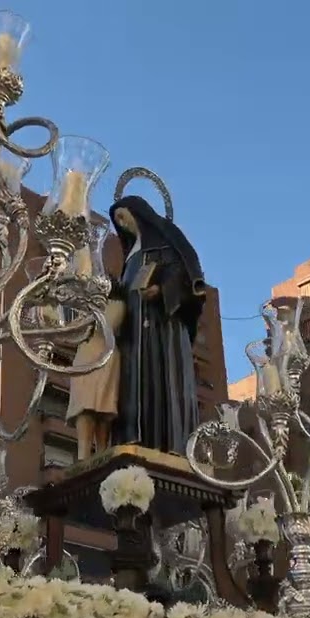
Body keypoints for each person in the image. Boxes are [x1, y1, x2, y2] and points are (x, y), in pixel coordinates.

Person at [109, 195, 206, 455]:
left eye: (123, 215)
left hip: (161, 328)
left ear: (137, 212)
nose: (120, 222)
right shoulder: (129, 258)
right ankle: (132, 439)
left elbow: (185, 275)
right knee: (132, 387)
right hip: (132, 334)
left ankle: (167, 443)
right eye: (116, 219)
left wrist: (162, 290)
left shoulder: (166, 241)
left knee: (162, 381)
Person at [65, 244, 126, 460]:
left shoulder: (116, 304)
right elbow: (73, 330)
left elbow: (106, 325)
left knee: (102, 408)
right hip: (84, 356)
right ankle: (82, 454)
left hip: (105, 355)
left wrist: (92, 309)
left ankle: (101, 452)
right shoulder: (84, 306)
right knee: (84, 406)